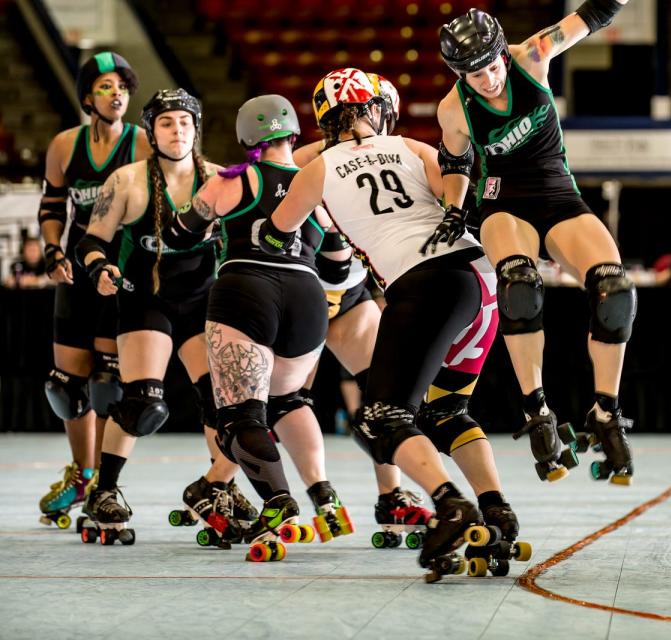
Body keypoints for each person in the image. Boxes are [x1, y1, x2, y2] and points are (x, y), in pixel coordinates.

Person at [259, 67, 528, 579]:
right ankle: (496, 510)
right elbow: (460, 196)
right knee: (446, 410)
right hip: (479, 279)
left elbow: (278, 230)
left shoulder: (317, 167)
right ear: (380, 110)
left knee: (380, 416)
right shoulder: (411, 145)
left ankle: (451, 504)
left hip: (426, 285)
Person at [434, 5, 636, 485]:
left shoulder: (532, 55)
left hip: (557, 191)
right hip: (503, 198)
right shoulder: (453, 108)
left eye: (489, 67)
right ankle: (537, 410)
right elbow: (455, 161)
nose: (485, 81)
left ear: (503, 53)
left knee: (615, 290)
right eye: (472, 74)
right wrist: (453, 208)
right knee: (519, 286)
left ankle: (605, 411)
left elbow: (594, 15)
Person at [166, 94, 358, 555]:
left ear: (247, 138)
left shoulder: (234, 180)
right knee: (287, 400)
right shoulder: (319, 187)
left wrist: (208, 223)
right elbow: (339, 269)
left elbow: (177, 234)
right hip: (308, 301)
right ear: (293, 133)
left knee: (240, 416)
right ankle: (319, 493)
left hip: (245, 291)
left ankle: (277, 498)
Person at [75, 89, 250, 545]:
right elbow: (91, 241)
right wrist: (99, 268)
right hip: (144, 299)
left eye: (185, 123)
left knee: (221, 402)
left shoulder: (221, 179)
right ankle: (105, 490)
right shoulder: (128, 181)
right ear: (152, 131)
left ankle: (220, 487)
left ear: (197, 129)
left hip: (200, 302)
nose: (178, 131)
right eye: (168, 123)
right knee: (144, 402)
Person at [292, 76, 433, 538]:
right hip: (303, 293)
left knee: (385, 398)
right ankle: (248, 488)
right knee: (275, 402)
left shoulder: (384, 155)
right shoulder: (310, 162)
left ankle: (392, 496)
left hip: (347, 291)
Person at [36, 52, 149, 529]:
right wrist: (51, 253)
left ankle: (104, 482)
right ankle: (81, 474)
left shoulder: (141, 143)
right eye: (105, 86)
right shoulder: (65, 145)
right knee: (66, 387)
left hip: (118, 276)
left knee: (108, 385)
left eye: (122, 85)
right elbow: (52, 207)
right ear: (87, 97)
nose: (116, 93)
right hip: (77, 277)